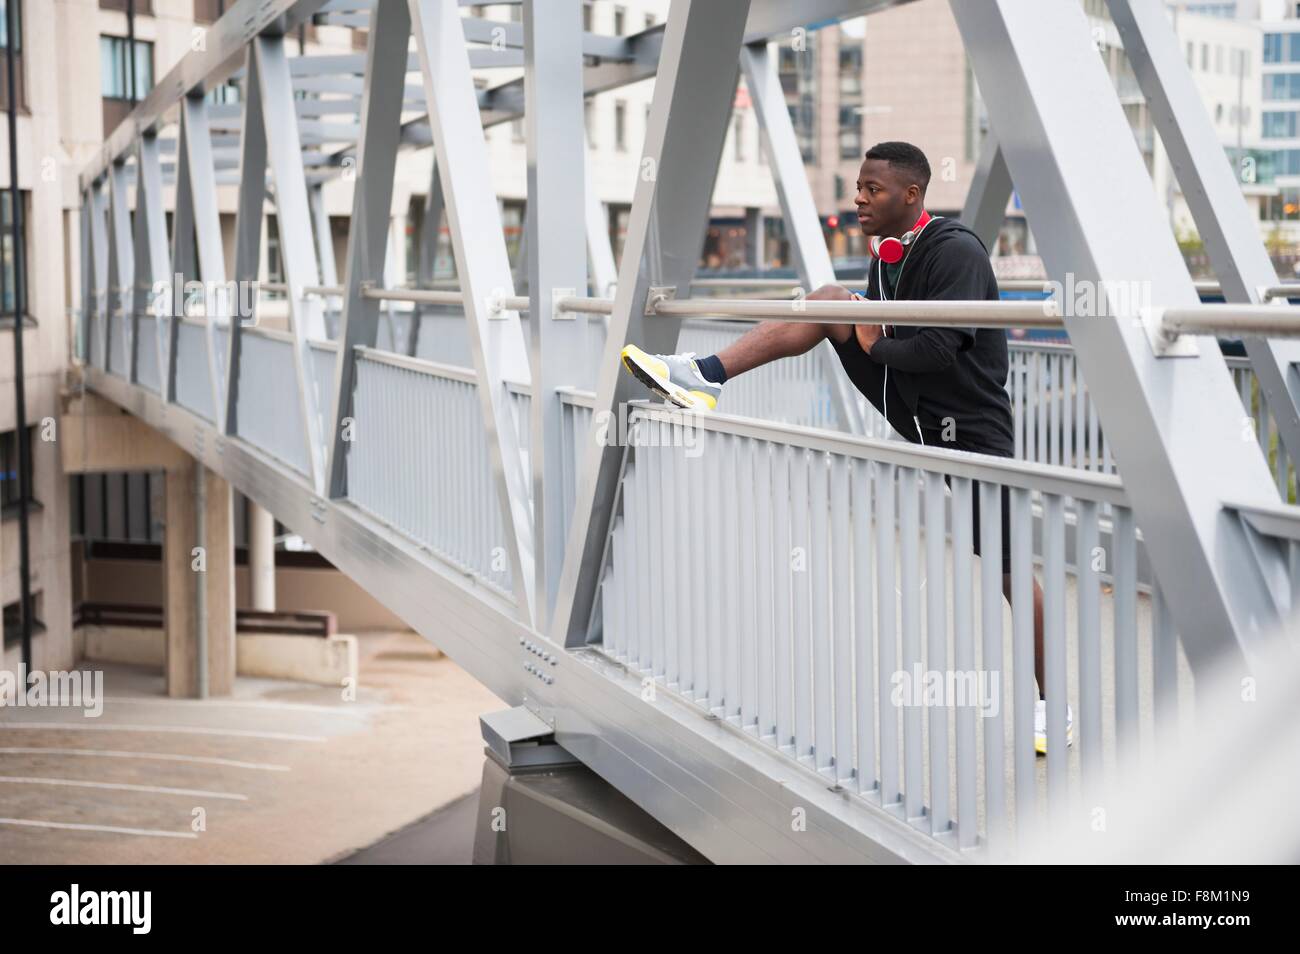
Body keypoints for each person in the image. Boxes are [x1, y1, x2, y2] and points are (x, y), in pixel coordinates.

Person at [619, 140, 1069, 754]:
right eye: (859, 187)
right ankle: (702, 375)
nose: (859, 198)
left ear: (911, 195)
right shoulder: (887, 254)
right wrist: (868, 333)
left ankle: (1057, 706)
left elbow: (939, 347)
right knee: (830, 299)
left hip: (966, 426)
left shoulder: (955, 251)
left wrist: (871, 341)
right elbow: (887, 331)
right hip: (909, 400)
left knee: (1009, 568)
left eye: (872, 189)